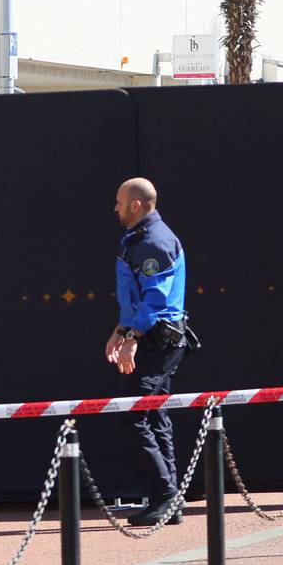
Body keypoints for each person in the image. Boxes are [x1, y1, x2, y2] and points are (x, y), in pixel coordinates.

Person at [108, 177, 192, 528]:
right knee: (155, 415)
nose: (115, 208)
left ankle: (166, 495)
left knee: (132, 416)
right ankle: (170, 497)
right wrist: (120, 330)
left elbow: (155, 299)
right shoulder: (140, 238)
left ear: (137, 205)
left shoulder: (154, 242)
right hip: (154, 338)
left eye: (119, 201)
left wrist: (133, 337)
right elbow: (136, 295)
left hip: (158, 341)